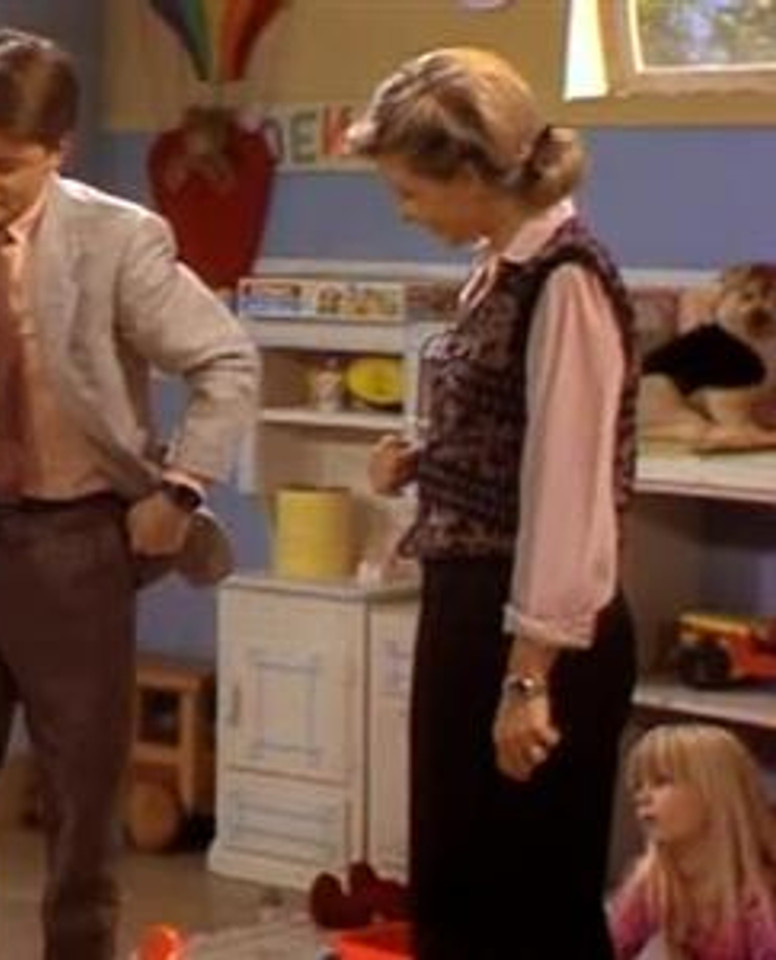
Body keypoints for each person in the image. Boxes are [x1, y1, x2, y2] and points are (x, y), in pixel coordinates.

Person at [0, 27, 257, 960]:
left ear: (58, 152)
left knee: (82, 818)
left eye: (6, 165)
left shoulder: (117, 239)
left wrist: (180, 490)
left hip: (80, 544)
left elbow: (227, 361)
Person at [350, 48, 639, 958]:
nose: (406, 211)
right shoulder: (501, 268)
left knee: (524, 903)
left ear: (472, 174)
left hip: (533, 626)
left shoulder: (565, 280)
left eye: (412, 191)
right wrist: (426, 461)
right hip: (472, 605)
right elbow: (509, 437)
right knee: (458, 887)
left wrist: (528, 679)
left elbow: (567, 489)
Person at [609, 723, 776, 960]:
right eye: (638, 786)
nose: (642, 797)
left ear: (715, 793)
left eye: (661, 781)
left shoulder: (760, 899)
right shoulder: (654, 880)